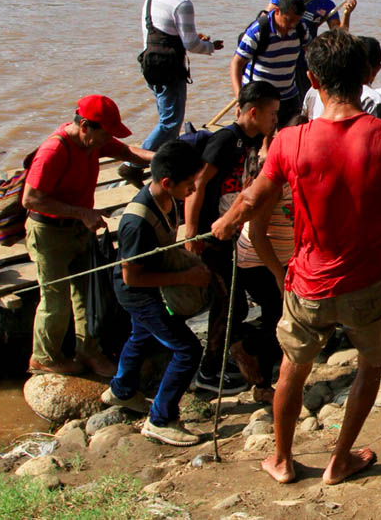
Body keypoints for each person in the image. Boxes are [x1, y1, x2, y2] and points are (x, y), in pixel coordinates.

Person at [211, 29, 381, 486]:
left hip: (307, 284)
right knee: (370, 366)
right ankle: (339, 461)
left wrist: (224, 225)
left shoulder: (288, 141)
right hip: (370, 282)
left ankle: (281, 460)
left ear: (311, 80)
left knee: (292, 371)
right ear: (365, 77)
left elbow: (252, 197)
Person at [23, 95, 155, 376]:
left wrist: (160, 160)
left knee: (87, 294)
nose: (106, 140)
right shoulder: (53, 151)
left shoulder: (93, 141)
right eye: (104, 133)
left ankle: (88, 351)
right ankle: (44, 357)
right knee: (54, 298)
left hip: (77, 229)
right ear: (85, 126)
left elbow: (128, 152)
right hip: (48, 232)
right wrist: (81, 212)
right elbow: (31, 199)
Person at [102, 140, 210, 446]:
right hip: (137, 291)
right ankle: (161, 419)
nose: (192, 191)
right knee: (187, 349)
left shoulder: (168, 199)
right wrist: (186, 275)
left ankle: (121, 390)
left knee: (142, 335)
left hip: (152, 281)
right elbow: (132, 277)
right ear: (166, 182)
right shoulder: (136, 222)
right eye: (189, 185)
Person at [183, 81, 280, 394]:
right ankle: (209, 373)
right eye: (272, 114)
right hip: (211, 235)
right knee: (229, 305)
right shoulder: (226, 140)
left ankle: (226, 359)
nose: (275, 120)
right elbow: (197, 183)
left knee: (239, 305)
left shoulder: (252, 140)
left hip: (231, 235)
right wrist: (190, 230)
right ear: (253, 112)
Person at [122, 0, 221, 186]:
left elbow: (161, 31)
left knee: (166, 121)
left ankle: (163, 162)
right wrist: (210, 47)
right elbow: (191, 45)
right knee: (170, 123)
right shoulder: (183, 3)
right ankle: (132, 165)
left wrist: (195, 38)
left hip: (149, 66)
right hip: (170, 70)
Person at [233, 115, 306, 404]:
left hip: (283, 256)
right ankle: (253, 362)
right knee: (279, 318)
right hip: (257, 259)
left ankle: (265, 371)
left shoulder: (299, 172)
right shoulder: (273, 178)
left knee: (285, 316)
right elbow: (259, 234)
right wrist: (279, 273)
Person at [268, 0, 356, 98]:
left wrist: (347, 14)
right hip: (280, 51)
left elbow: (340, 36)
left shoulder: (327, 5)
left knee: (302, 96)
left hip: (304, 57)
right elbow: (267, 16)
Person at [230, 0, 308, 126]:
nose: (292, 25)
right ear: (277, 11)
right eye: (288, 20)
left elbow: (310, 51)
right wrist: (240, 99)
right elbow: (236, 64)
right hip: (260, 96)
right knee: (258, 139)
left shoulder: (301, 29)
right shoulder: (258, 31)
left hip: (288, 94)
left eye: (296, 21)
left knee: (291, 135)